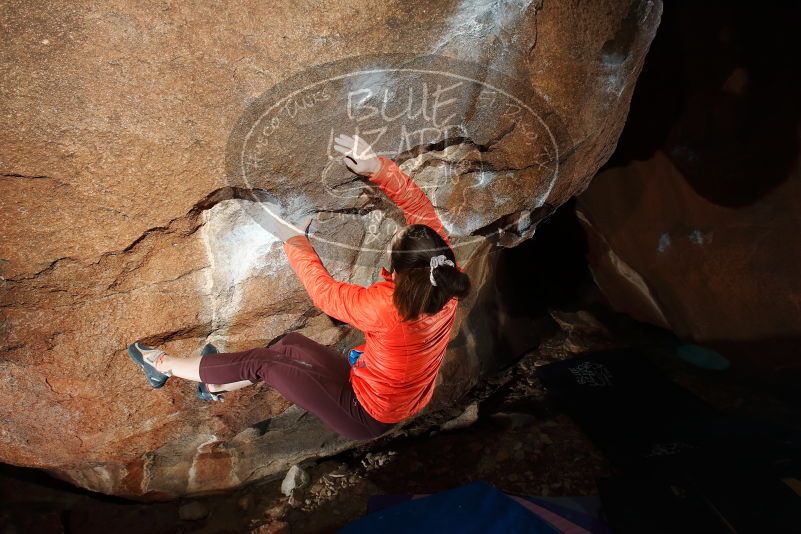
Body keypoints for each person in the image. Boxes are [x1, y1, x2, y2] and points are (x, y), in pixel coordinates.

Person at [127, 134, 471, 440]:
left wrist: (294, 240)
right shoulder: (444, 274)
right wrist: (378, 168)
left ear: (399, 275)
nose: (395, 237)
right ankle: (215, 384)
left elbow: (325, 294)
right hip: (383, 389)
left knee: (265, 364)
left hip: (366, 414)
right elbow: (420, 210)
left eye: (394, 247)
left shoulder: (387, 307)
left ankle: (161, 365)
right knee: (289, 345)